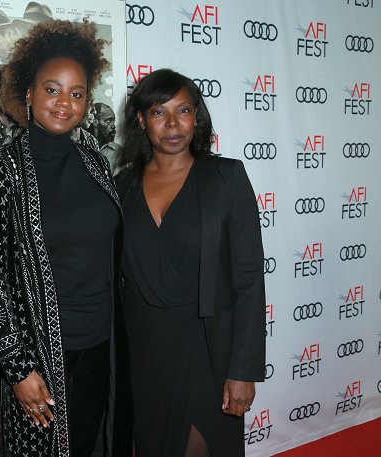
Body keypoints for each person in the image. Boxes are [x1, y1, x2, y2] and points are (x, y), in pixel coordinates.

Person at [0, 19, 126, 457]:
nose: (64, 102)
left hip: (101, 347)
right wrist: (18, 370)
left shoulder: (94, 160)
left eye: (77, 93)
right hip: (39, 360)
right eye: (52, 89)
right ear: (27, 93)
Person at [116, 68, 266, 457]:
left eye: (182, 111)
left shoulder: (226, 178)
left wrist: (243, 370)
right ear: (140, 119)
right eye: (158, 112)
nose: (171, 124)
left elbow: (249, 279)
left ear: (196, 116)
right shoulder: (122, 187)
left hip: (208, 352)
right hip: (144, 354)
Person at [93, 102, 120, 171]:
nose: (114, 126)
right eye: (108, 121)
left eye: (113, 121)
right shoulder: (81, 148)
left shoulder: (121, 153)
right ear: (94, 122)